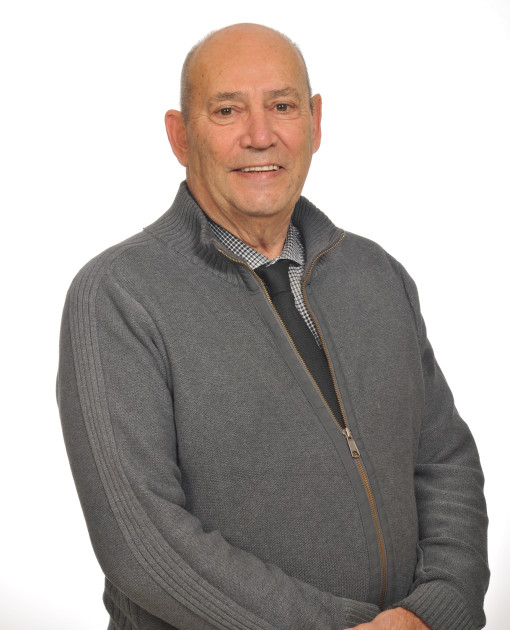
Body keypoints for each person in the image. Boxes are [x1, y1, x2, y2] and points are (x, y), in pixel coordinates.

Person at [57, 23, 489, 630]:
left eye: (282, 106)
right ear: (180, 136)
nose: (260, 136)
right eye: (227, 110)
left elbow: (443, 460)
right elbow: (143, 543)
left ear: (315, 121)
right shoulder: (118, 295)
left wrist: (434, 611)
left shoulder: (376, 275)